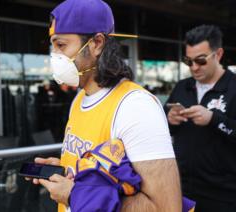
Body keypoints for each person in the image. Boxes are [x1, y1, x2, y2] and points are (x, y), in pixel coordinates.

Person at [31, 0, 182, 211]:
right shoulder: (79, 100)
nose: (54, 56)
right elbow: (98, 173)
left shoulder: (136, 107)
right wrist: (67, 172)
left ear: (96, 43)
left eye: (61, 45)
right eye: (53, 46)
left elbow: (167, 207)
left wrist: (75, 194)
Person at [165, 25, 236, 212]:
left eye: (201, 61)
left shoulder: (233, 88)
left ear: (218, 54)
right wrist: (169, 120)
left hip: (223, 194)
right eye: (188, 61)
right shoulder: (182, 87)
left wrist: (214, 119)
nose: (194, 68)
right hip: (181, 188)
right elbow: (165, 131)